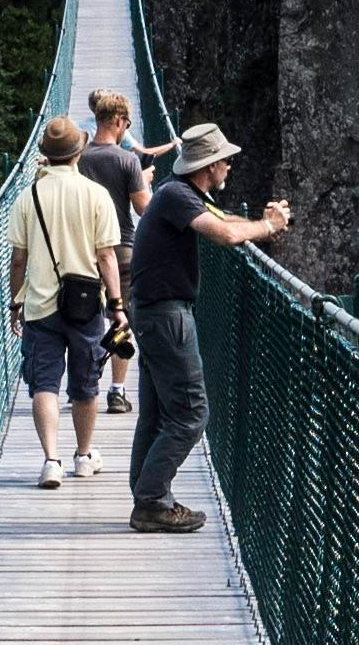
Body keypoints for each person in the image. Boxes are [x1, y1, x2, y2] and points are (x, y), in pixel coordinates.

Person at [115, 118, 290, 537]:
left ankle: (147, 495)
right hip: (166, 316)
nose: (230, 167)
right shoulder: (177, 195)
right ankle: (153, 501)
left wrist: (264, 226)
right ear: (208, 165)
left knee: (158, 412)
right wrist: (267, 227)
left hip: (156, 312)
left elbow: (227, 219)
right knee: (193, 414)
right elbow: (225, 236)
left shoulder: (184, 194)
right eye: (226, 161)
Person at [2, 114, 122, 487]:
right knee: (85, 384)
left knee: (44, 385)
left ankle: (50, 461)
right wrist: (117, 305)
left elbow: (18, 258)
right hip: (86, 305)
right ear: (78, 152)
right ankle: (84, 457)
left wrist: (15, 303)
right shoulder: (96, 195)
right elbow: (106, 256)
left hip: (40, 306)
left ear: (46, 156)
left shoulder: (28, 197)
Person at [67, 93, 149, 474]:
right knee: (121, 320)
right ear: (117, 120)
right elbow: (142, 208)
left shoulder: (79, 158)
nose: (127, 128)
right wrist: (146, 181)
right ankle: (116, 392)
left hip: (84, 253)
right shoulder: (128, 160)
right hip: (124, 250)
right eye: (127, 123)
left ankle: (86, 384)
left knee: (88, 321)